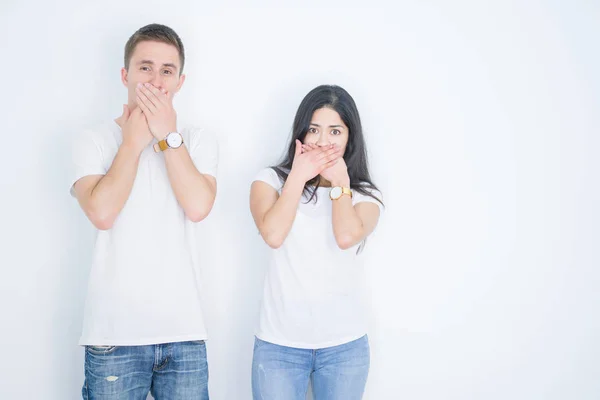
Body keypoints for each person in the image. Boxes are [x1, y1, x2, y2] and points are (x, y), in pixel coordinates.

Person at [71, 23, 217, 399]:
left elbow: (199, 207)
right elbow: (102, 213)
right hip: (113, 337)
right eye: (145, 67)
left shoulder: (197, 139)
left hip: (184, 335)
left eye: (167, 70)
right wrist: (132, 144)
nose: (156, 80)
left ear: (180, 81)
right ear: (125, 75)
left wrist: (168, 136)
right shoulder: (94, 140)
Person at [250, 84, 384, 400]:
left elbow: (346, 236)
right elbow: (273, 234)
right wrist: (298, 176)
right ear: (301, 134)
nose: (323, 142)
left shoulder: (365, 195)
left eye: (335, 131)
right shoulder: (269, 181)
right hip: (278, 346)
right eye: (314, 130)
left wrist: (340, 183)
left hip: (344, 348)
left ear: (350, 137)